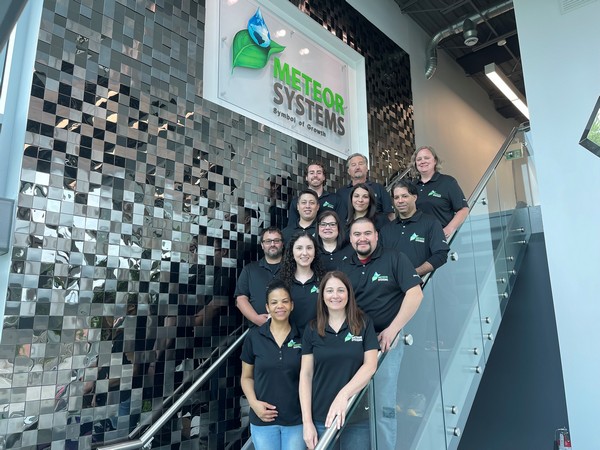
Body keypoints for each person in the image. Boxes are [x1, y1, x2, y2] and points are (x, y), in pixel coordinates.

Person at [341, 217, 424, 450]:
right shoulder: (344, 266)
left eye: (367, 233)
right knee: (354, 401)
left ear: (377, 236)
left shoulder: (395, 258)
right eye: (357, 234)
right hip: (353, 342)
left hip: (385, 342)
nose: (362, 238)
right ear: (350, 239)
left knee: (383, 403)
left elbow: (415, 294)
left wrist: (393, 329)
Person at [299, 271, 378, 450]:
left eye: (341, 290)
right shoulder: (312, 328)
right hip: (321, 418)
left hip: (356, 416)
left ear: (348, 294)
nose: (335, 295)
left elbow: (370, 365)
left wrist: (343, 395)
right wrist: (307, 422)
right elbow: (306, 375)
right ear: (322, 295)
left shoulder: (364, 323)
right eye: (330, 291)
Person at [240, 280, 304, 450]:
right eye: (274, 302)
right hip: (263, 420)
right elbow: (246, 377)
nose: (280, 306)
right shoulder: (254, 337)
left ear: (292, 305)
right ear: (267, 308)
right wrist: (253, 403)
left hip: (296, 420)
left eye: (285, 301)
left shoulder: (303, 337)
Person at [380, 180, 449, 276]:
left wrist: (413, 274)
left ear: (414, 197)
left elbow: (441, 255)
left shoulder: (431, 223)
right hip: (392, 284)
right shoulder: (386, 230)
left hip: (422, 283)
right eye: (396, 197)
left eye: (405, 196)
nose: (400, 201)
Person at [410, 146, 469, 239]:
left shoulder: (448, 182)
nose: (422, 161)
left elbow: (463, 209)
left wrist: (449, 229)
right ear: (415, 163)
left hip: (441, 238)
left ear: (435, 161)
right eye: (419, 159)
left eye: (426, 158)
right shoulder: (411, 186)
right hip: (418, 239)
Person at [234, 227, 284, 327]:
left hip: (288, 330)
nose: (272, 244)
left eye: (276, 241)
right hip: (258, 330)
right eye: (268, 241)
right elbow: (240, 299)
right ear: (262, 245)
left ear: (282, 244)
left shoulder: (292, 268)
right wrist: (256, 319)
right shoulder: (249, 270)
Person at [278, 231, 325, 335]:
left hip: (318, 338)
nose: (305, 253)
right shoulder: (281, 282)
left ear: (315, 252)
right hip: (289, 339)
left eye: (309, 248)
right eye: (299, 248)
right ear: (292, 252)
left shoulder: (325, 281)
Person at [337, 153, 395, 223]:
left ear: (367, 168)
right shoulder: (341, 192)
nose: (357, 167)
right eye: (353, 165)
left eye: (360, 164)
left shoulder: (379, 188)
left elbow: (390, 215)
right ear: (349, 171)